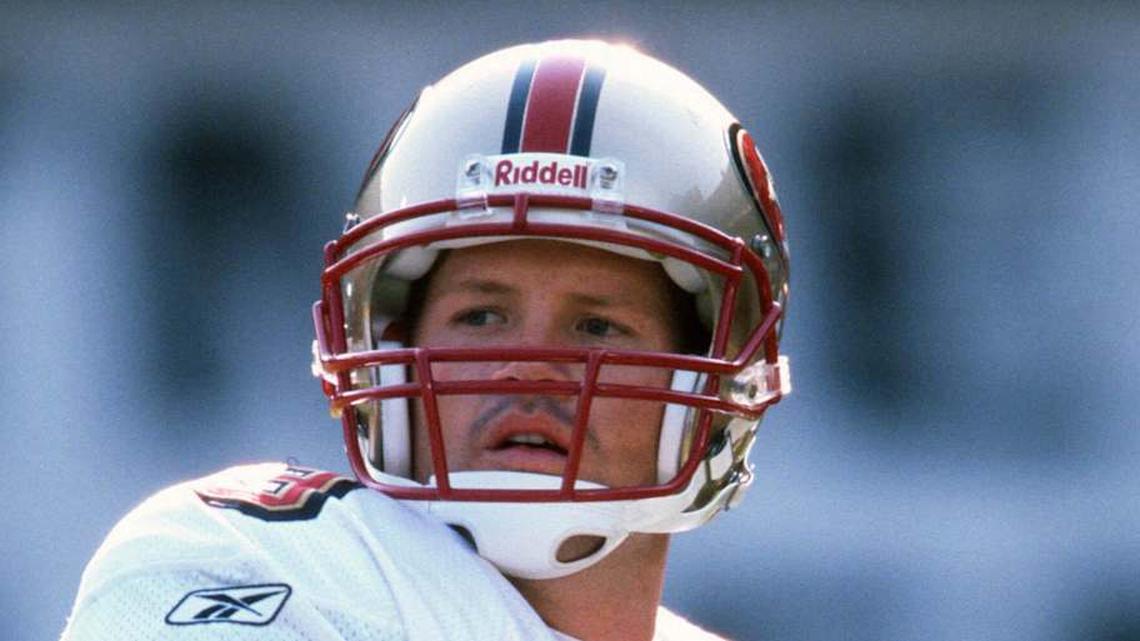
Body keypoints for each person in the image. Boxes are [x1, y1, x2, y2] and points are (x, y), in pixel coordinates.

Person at [60, 39, 791, 641]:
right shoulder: (246, 562)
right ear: (392, 344)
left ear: (715, 379)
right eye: (481, 317)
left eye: (597, 326)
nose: (525, 368)